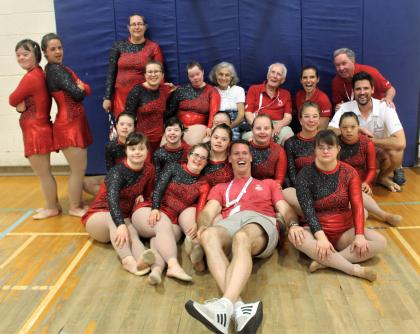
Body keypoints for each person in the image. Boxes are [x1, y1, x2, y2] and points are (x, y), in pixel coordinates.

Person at [185, 140, 298, 334]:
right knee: (209, 235)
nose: (241, 156)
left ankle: (224, 304)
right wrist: (202, 225)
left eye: (245, 153)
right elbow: (208, 211)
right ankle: (238, 307)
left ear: (251, 158)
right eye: (236, 154)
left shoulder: (268, 184)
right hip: (231, 221)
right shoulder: (220, 188)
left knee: (241, 237)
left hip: (261, 221)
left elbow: (285, 209)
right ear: (229, 159)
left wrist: (293, 224)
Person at [289, 130, 387, 282]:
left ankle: (326, 262)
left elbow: (357, 204)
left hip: (345, 231)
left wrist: (359, 235)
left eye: (330, 147)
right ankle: (353, 269)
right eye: (321, 147)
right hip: (316, 230)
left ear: (338, 149)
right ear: (314, 150)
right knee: (296, 238)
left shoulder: (349, 172)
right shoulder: (304, 175)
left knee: (381, 242)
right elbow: (308, 211)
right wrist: (321, 238)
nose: (326, 151)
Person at [132, 144, 210, 284]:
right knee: (163, 224)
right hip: (150, 209)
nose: (198, 159)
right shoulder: (173, 167)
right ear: (189, 156)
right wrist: (155, 208)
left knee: (162, 238)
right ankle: (174, 266)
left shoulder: (203, 184)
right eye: (196, 155)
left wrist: (198, 223)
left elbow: (201, 206)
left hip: (172, 219)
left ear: (206, 163)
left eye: (203, 158)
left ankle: (157, 270)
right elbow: (159, 188)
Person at [81, 132, 156, 275]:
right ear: (126, 151)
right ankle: (127, 261)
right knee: (115, 219)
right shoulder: (117, 172)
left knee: (132, 232)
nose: (137, 152)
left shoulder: (149, 169)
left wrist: (142, 197)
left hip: (123, 216)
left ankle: (142, 260)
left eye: (141, 148)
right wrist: (120, 224)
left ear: (147, 150)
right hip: (99, 217)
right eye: (132, 149)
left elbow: (149, 193)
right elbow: (112, 200)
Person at [41, 33, 92, 217]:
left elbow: (86, 88)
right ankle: (74, 207)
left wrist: (82, 88)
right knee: (78, 170)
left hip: (75, 122)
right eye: (53, 49)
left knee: (79, 169)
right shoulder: (55, 71)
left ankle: (76, 204)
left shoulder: (61, 69)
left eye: (59, 48)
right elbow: (79, 94)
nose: (58, 52)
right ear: (45, 53)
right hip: (68, 124)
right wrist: (80, 88)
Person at [329, 71, 406, 191]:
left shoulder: (385, 107)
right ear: (353, 91)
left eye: (366, 88)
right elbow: (329, 133)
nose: (362, 92)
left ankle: (383, 177)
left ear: (373, 90)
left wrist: (368, 141)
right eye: (358, 89)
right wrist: (357, 129)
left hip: (377, 154)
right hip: (352, 155)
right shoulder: (344, 107)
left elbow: (401, 142)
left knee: (397, 152)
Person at [9, 39, 59, 220]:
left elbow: (12, 98)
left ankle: (52, 208)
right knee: (45, 172)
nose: (21, 57)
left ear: (36, 55)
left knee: (43, 173)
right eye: (18, 55)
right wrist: (20, 106)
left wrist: (18, 105)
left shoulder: (31, 77)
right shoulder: (37, 73)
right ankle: (52, 204)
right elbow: (19, 103)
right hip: (37, 129)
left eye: (25, 53)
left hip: (36, 131)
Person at [338, 112, 402, 225]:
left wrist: (366, 183)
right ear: (340, 129)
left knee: (357, 193)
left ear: (359, 127)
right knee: (355, 202)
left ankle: (384, 216)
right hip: (340, 182)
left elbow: (372, 169)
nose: (349, 130)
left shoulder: (367, 143)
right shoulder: (335, 142)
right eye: (344, 127)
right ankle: (384, 215)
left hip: (361, 182)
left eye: (352, 127)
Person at [103, 13, 164, 118]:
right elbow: (111, 72)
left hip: (144, 96)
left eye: (140, 24)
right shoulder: (118, 46)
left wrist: (159, 98)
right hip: (121, 96)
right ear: (128, 27)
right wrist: (107, 97)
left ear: (145, 27)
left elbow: (160, 75)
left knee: (142, 129)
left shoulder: (154, 47)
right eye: (133, 24)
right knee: (124, 128)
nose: (137, 27)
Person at [124, 60, 172, 155]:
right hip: (142, 140)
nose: (153, 75)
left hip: (161, 139)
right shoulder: (137, 91)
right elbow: (128, 116)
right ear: (145, 75)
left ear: (162, 75)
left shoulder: (166, 89)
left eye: (156, 71)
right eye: (150, 72)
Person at [166, 61, 219, 145]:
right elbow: (170, 111)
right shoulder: (181, 90)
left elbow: (214, 112)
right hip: (178, 126)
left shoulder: (212, 91)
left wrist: (210, 127)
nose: (195, 77)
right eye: (192, 76)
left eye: (198, 74)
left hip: (198, 127)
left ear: (203, 72)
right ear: (188, 77)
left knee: (190, 148)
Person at [83, 112, 136, 196]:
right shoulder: (110, 146)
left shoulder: (137, 144)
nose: (125, 127)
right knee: (86, 183)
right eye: (122, 124)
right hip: (116, 178)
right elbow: (110, 169)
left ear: (134, 128)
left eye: (129, 125)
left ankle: (121, 197)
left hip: (134, 180)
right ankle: (115, 196)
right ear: (116, 126)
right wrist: (114, 183)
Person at [244, 63, 293, 145]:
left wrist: (277, 127)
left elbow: (288, 117)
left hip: (277, 126)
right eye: (272, 72)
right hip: (257, 124)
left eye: (278, 74)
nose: (274, 76)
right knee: (248, 139)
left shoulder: (286, 94)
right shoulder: (254, 89)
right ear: (267, 75)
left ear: (282, 80)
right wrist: (258, 127)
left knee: (289, 136)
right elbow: (248, 113)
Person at [282, 102, 320, 210]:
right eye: (306, 116)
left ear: (319, 120)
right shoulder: (291, 142)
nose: (311, 120)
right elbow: (291, 173)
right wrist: (303, 189)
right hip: (300, 191)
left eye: (315, 116)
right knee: (286, 193)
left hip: (325, 187)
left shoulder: (326, 139)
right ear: (300, 120)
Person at [209, 62, 245, 140]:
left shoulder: (238, 90)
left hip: (235, 124)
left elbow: (241, 115)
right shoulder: (211, 91)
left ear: (231, 77)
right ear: (216, 75)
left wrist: (229, 127)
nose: (223, 78)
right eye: (221, 74)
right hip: (217, 125)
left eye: (227, 75)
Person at [249, 114, 287, 188]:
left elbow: (279, 179)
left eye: (266, 128)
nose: (262, 132)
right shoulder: (245, 149)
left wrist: (265, 189)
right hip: (248, 189)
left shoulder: (279, 151)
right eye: (258, 128)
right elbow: (242, 178)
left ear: (272, 130)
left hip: (271, 189)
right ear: (252, 129)